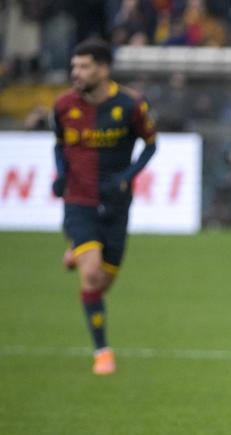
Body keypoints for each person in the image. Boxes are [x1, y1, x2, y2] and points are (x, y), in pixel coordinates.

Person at [52, 38, 157, 374]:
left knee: (102, 284)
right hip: (78, 200)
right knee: (93, 275)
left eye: (83, 66)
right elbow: (58, 144)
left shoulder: (130, 105)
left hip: (116, 205)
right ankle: (102, 352)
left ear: (103, 68)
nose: (76, 73)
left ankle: (78, 251)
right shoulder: (63, 105)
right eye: (74, 66)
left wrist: (128, 175)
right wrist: (61, 174)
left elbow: (151, 145)